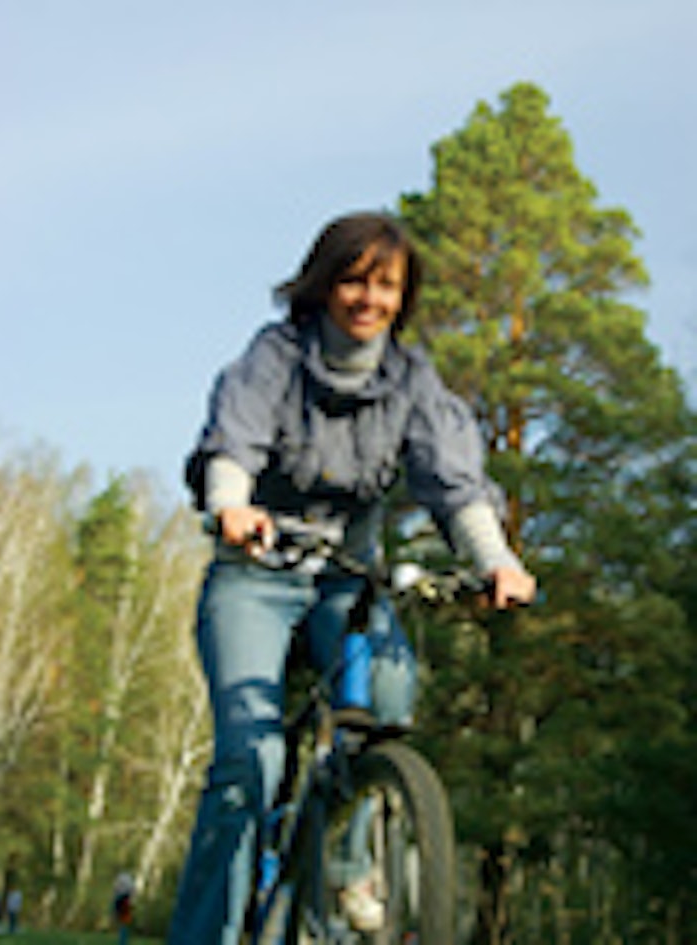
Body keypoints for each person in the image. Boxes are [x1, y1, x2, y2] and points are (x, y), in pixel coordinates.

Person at [168, 211, 536, 944]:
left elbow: (455, 482)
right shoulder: (276, 357)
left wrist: (497, 560)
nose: (369, 299)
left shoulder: (412, 382)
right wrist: (232, 503)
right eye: (354, 281)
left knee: (389, 693)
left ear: (404, 297)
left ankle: (349, 864)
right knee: (251, 759)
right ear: (322, 286)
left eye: (386, 286)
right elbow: (235, 437)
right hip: (257, 573)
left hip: (347, 579)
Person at [112, 872, 135, 945]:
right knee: (123, 924)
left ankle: (122, 941)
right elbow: (132, 891)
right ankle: (122, 941)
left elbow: (116, 890)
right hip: (124, 901)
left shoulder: (121, 878)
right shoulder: (126, 878)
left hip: (123, 901)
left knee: (123, 924)